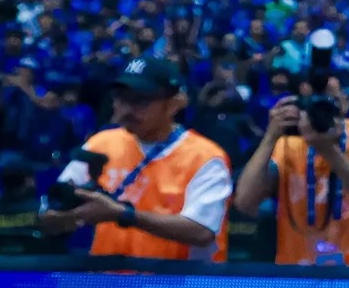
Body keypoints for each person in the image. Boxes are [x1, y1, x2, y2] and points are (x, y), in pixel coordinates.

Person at [39, 57, 232, 261]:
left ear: (173, 105)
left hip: (176, 278)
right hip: (110, 276)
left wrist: (121, 214)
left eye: (140, 101)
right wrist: (61, 216)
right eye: (121, 98)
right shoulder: (101, 143)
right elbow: (52, 207)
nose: (127, 109)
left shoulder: (204, 156)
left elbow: (201, 231)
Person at [232, 71, 349, 267]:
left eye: (330, 101)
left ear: (345, 103)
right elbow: (244, 202)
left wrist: (328, 150)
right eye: (312, 104)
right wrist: (270, 137)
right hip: (300, 269)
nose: (321, 110)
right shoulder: (287, 144)